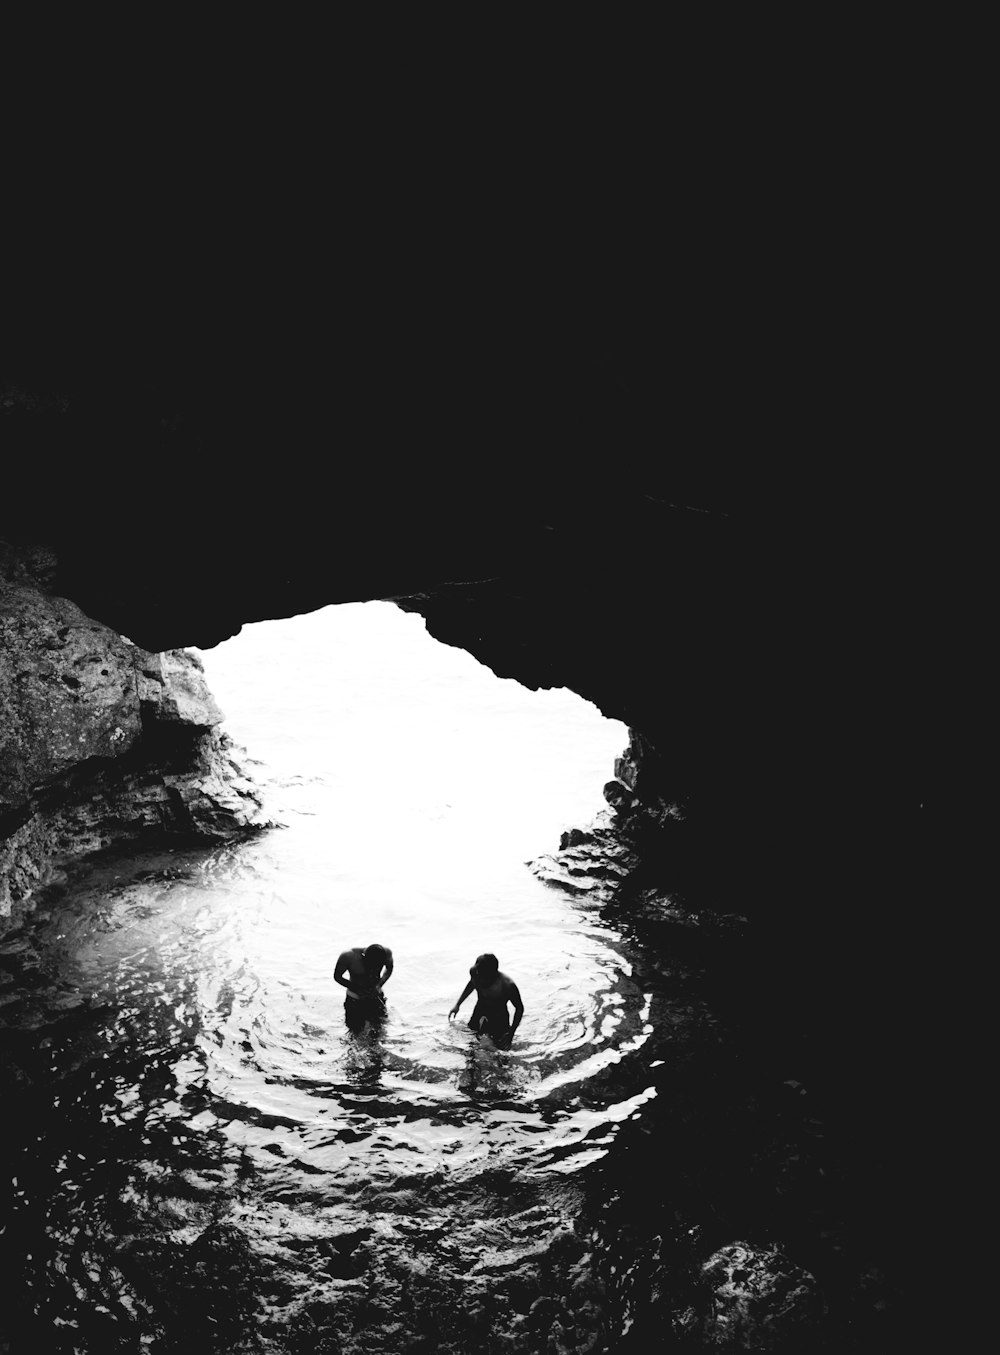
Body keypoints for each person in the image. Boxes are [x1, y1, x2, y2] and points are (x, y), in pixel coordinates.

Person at [448, 953, 523, 1048]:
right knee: (472, 1043)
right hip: (479, 1010)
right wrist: (458, 1004)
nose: (479, 981)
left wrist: (511, 1033)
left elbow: (519, 1008)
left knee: (500, 1048)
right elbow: (471, 984)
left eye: (483, 978)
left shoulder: (507, 986)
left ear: (492, 975)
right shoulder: (476, 974)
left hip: (499, 1017)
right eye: (477, 978)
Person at [334, 943, 393, 1034]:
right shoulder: (348, 956)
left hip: (376, 998)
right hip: (355, 999)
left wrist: (379, 985)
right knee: (354, 1032)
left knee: (379, 1031)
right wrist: (358, 989)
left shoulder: (387, 953)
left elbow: (389, 968)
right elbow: (337, 976)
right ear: (363, 957)